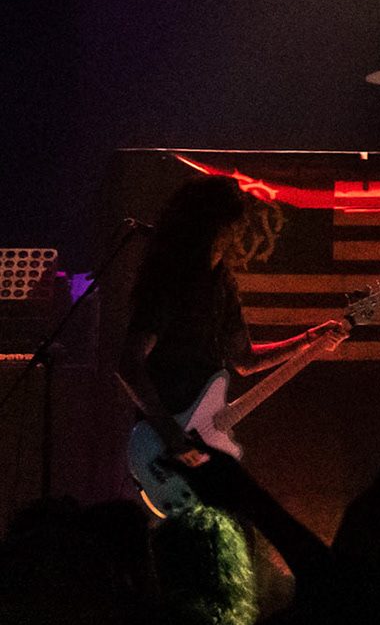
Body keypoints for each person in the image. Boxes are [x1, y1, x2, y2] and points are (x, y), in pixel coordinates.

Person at [118, 174, 348, 462]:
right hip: (162, 446)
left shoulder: (222, 285)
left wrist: (308, 339)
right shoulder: (171, 281)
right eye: (230, 224)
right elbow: (129, 363)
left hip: (199, 441)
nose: (235, 232)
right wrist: (170, 432)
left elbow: (245, 360)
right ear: (214, 226)